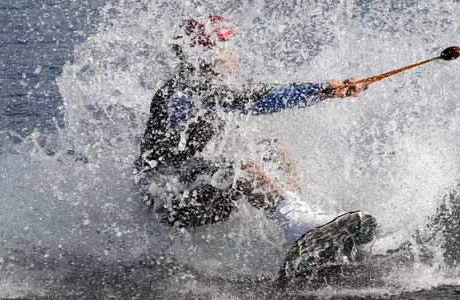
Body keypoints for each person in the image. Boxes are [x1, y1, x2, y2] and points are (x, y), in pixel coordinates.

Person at [134, 16, 368, 233]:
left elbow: (253, 94)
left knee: (272, 148)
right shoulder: (180, 94)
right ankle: (295, 222)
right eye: (224, 47)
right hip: (171, 203)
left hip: (202, 189)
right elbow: (261, 100)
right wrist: (321, 90)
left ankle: (302, 222)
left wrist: (329, 91)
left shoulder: (216, 87)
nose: (231, 54)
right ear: (203, 55)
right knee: (237, 162)